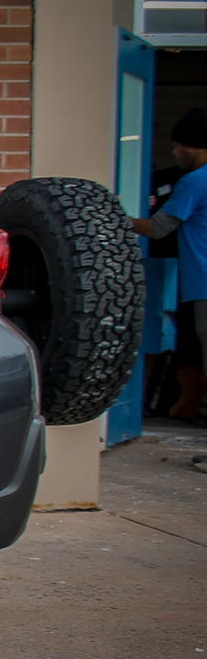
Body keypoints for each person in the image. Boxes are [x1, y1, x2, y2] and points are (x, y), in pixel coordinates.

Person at [131, 106, 207, 426]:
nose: (174, 152)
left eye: (176, 147)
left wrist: (114, 217)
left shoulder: (193, 181)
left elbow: (159, 228)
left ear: (190, 147)